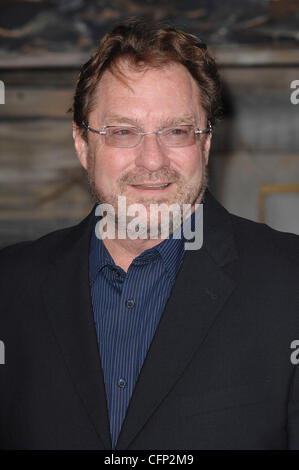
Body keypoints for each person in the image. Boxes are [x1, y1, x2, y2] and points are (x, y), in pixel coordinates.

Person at [0, 16, 299, 451]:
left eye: (176, 131)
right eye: (123, 132)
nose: (153, 160)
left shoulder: (291, 283)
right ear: (83, 145)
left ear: (206, 143)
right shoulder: (9, 286)